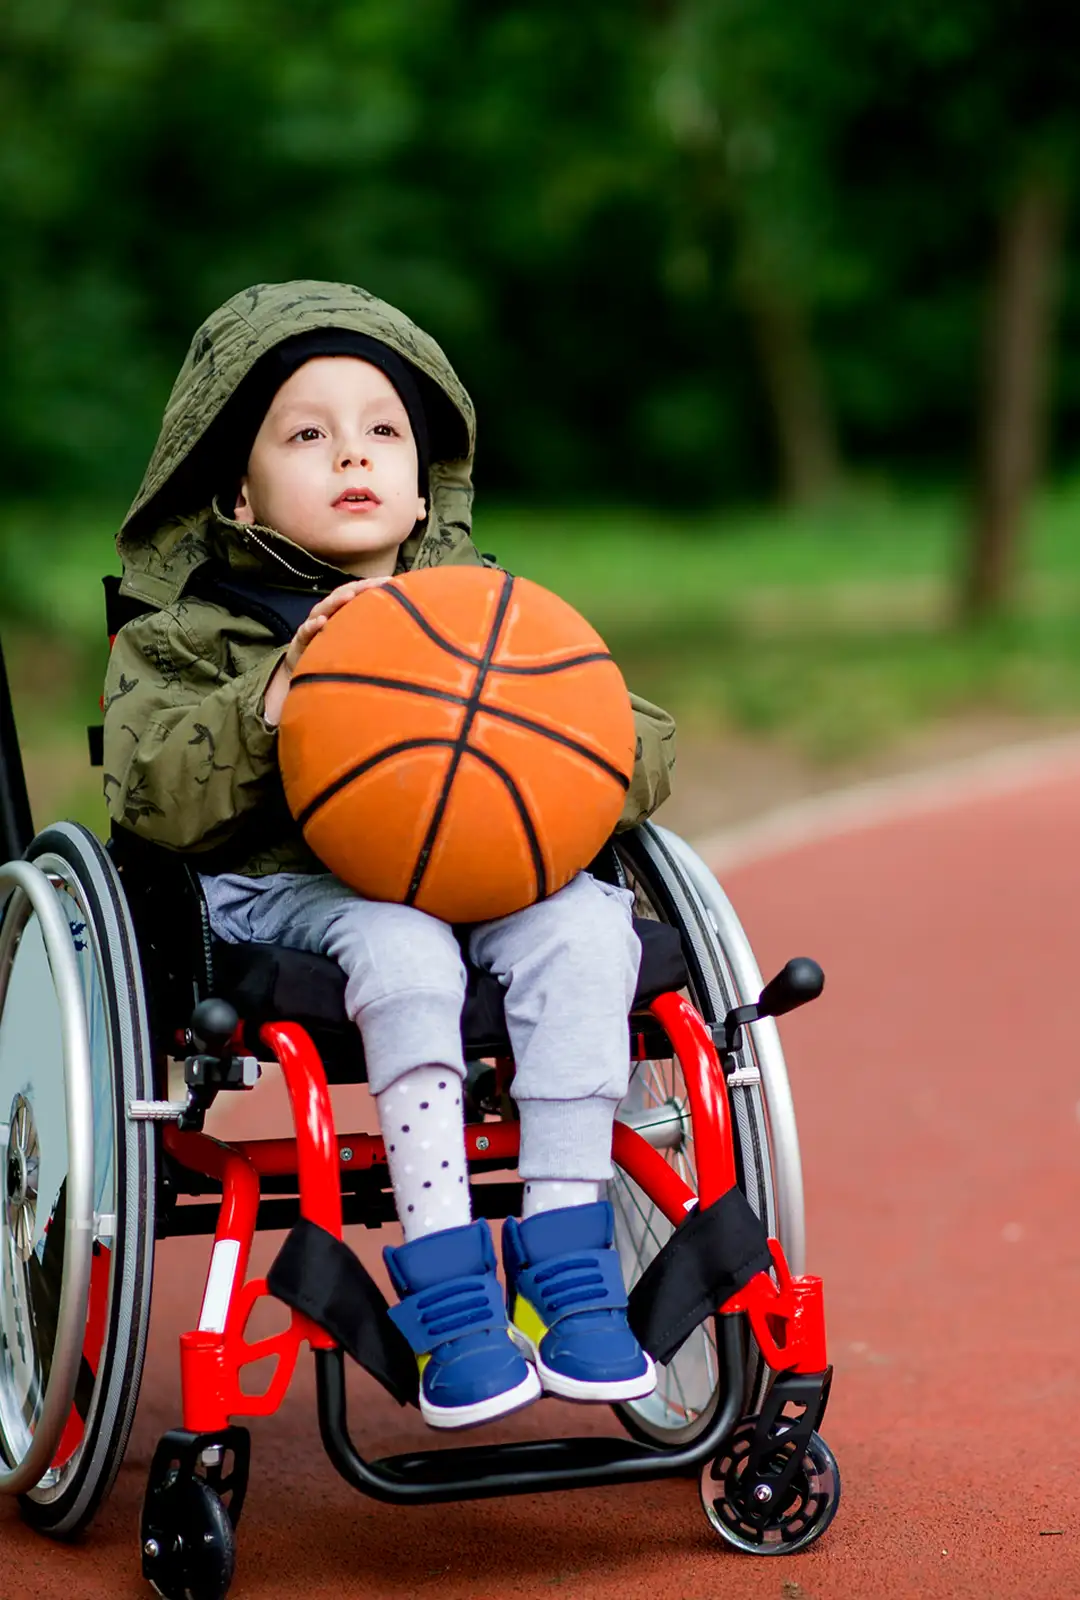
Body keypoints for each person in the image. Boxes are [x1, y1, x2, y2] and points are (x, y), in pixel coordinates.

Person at [102, 280, 675, 1428]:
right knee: (401, 940)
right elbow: (148, 789)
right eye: (305, 434)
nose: (349, 454)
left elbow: (639, 745)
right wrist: (277, 701)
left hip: (481, 876)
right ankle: (450, 1286)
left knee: (585, 924)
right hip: (281, 895)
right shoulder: (185, 632)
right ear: (236, 488)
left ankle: (570, 1269)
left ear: (423, 490)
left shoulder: (486, 612)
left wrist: (547, 729)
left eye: (381, 431)